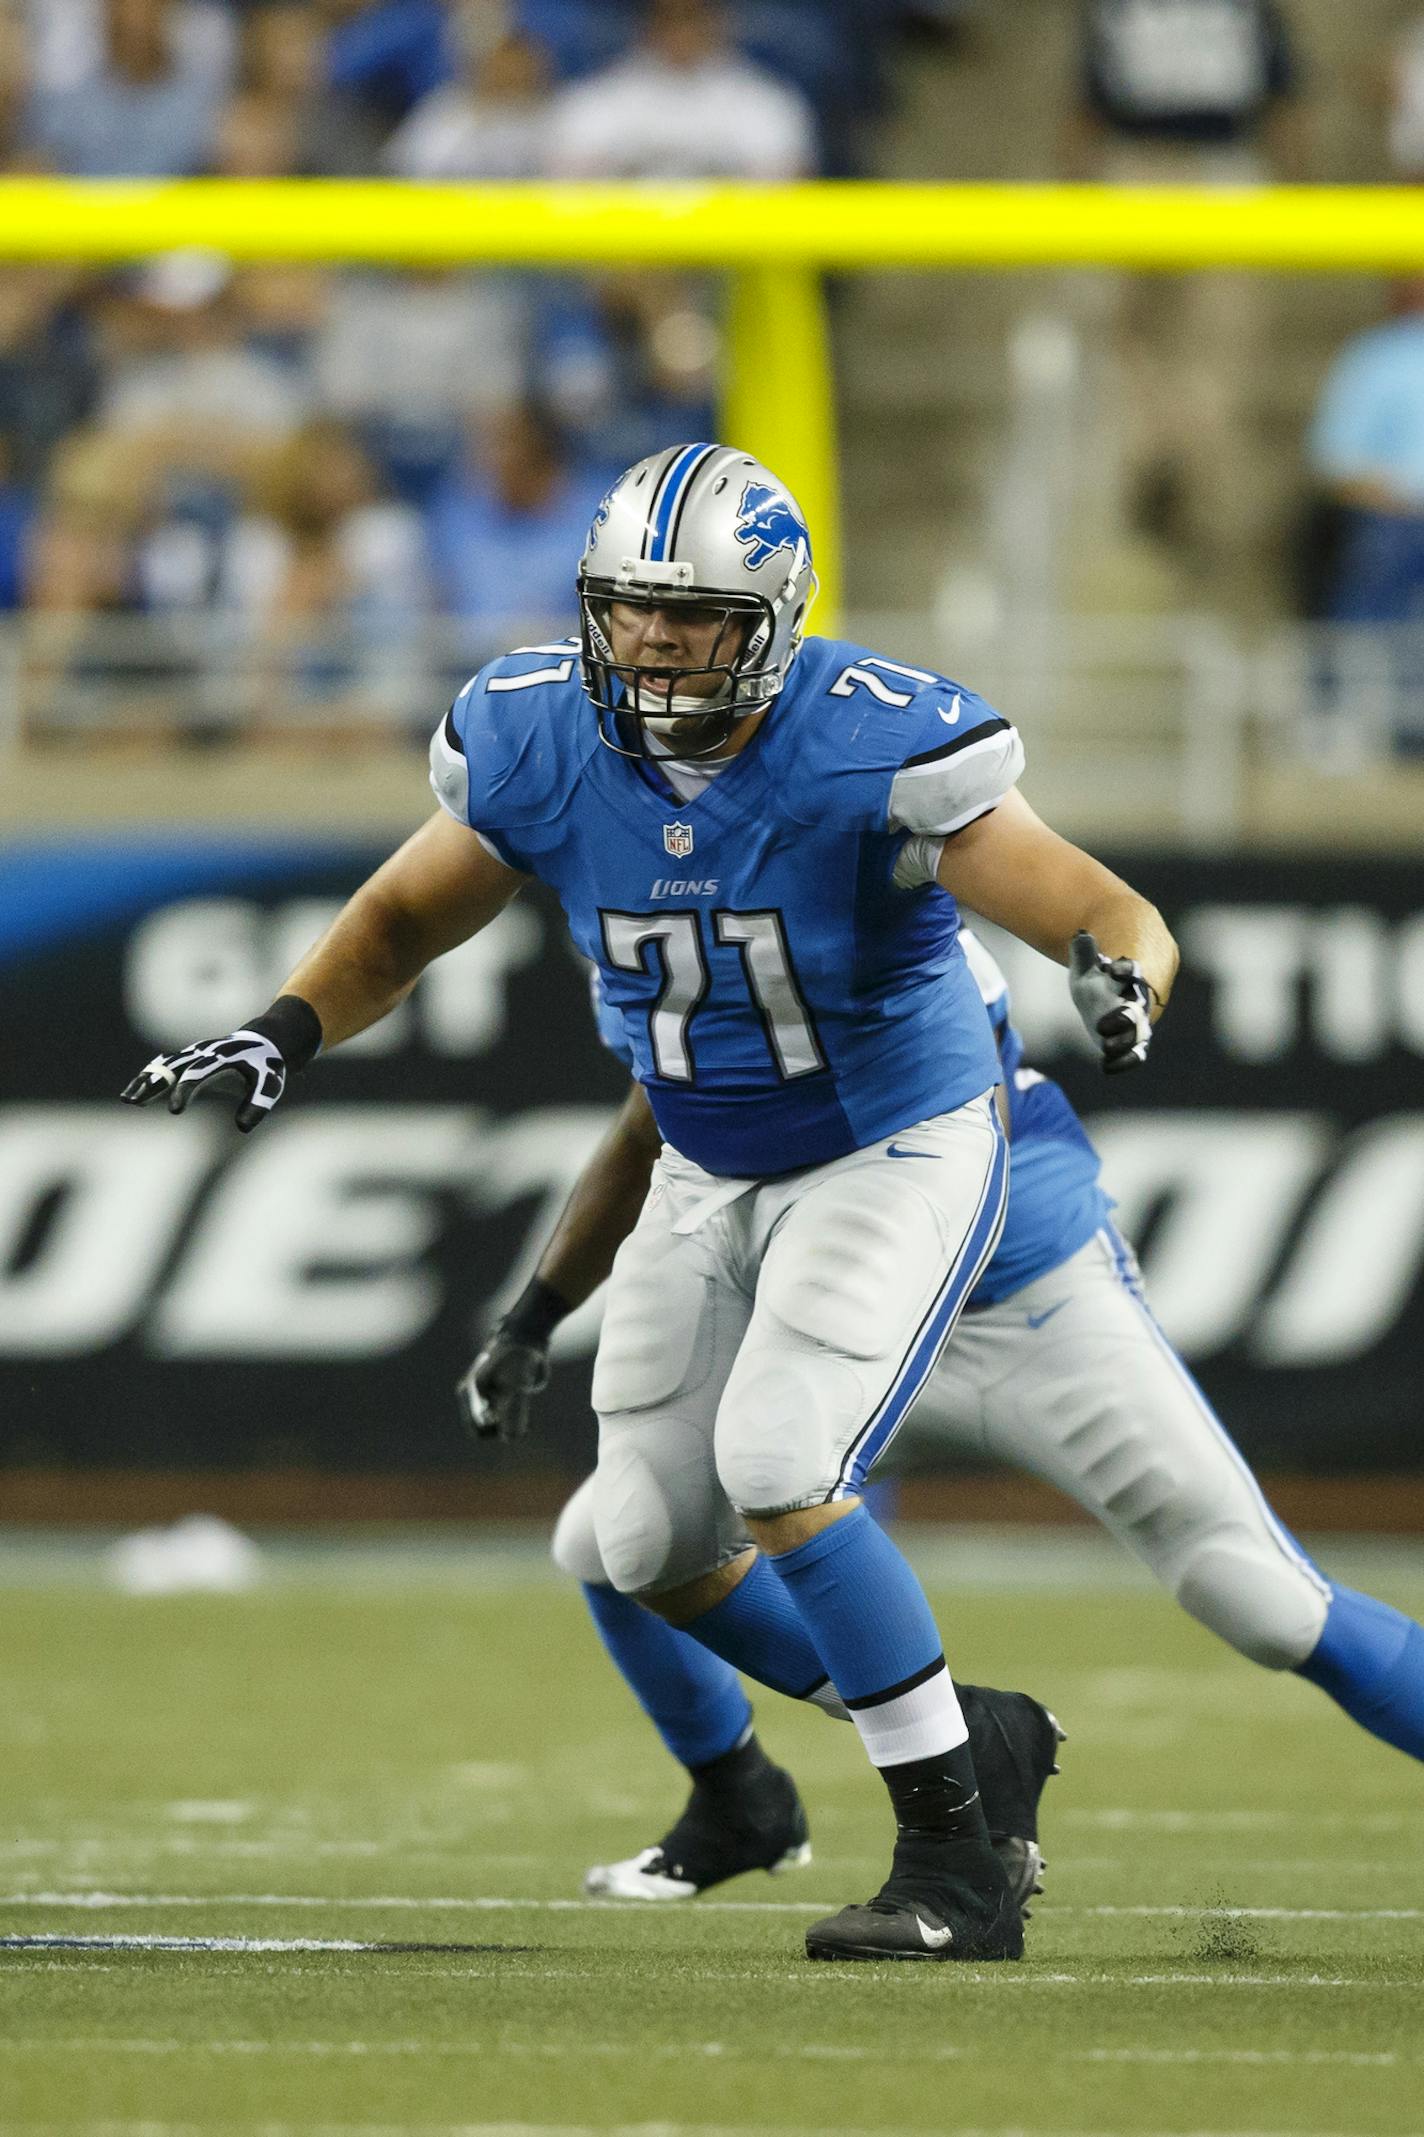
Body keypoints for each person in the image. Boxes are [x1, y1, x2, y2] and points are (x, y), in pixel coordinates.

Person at [121, 441, 1176, 1964]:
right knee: (640, 1536)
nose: (656, 642)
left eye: (693, 616)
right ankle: (974, 1734)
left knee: (776, 1450)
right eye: (629, 610)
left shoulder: (870, 741)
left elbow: (1103, 904)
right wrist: (282, 1026)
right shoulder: (534, 733)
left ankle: (957, 1855)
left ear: (777, 617)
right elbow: (408, 910)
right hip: (710, 1159)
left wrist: (1124, 972)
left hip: (895, 1137)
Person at [462, 926, 1424, 1904]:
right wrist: (536, 1312)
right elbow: (648, 1126)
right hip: (858, 1311)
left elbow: (952, 1149)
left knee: (1260, 1600)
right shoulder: (697, 946)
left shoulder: (898, 938)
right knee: (614, 1537)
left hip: (1022, 1303)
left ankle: (948, 1749)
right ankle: (745, 1794)